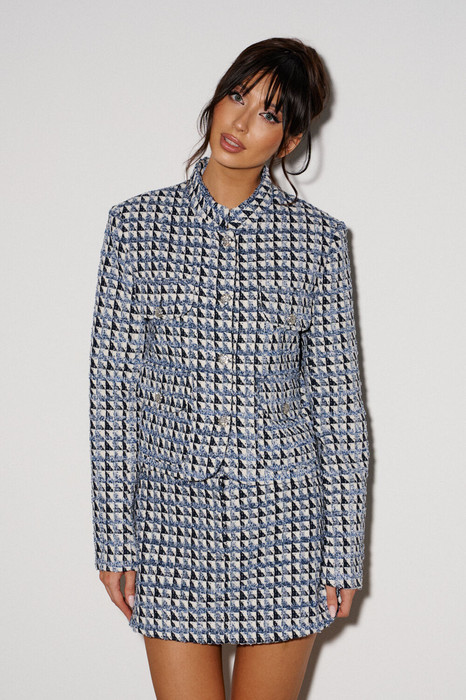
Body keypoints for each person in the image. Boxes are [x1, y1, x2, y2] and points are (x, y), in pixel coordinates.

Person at [89, 36, 370, 700]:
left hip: (285, 525)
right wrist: (114, 539)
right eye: (237, 96)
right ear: (217, 98)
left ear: (291, 139)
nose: (240, 122)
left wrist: (343, 550)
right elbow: (112, 395)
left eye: (268, 113)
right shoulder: (136, 227)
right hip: (171, 523)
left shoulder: (319, 244)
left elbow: (338, 408)